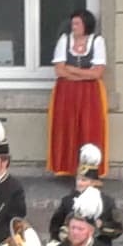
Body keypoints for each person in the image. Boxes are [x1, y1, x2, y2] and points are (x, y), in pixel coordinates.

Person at [44, 10, 105, 182]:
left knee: (89, 128)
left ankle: (91, 169)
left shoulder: (97, 42)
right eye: (73, 23)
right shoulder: (65, 40)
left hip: (90, 93)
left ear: (86, 25)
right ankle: (68, 168)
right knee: (67, 127)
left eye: (77, 24)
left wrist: (71, 70)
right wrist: (83, 74)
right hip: (66, 92)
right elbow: (59, 70)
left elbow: (97, 73)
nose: (74, 27)